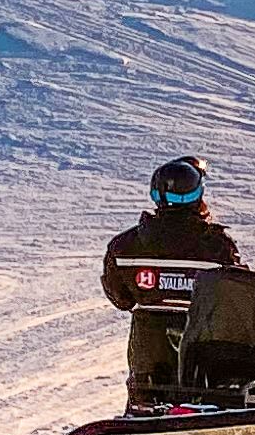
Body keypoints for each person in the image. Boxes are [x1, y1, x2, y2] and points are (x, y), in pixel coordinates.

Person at [101, 156, 243, 403]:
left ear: (155, 196)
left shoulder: (125, 246)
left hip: (148, 358)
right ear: (198, 194)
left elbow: (121, 299)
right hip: (204, 359)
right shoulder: (219, 248)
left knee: (146, 417)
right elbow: (236, 297)